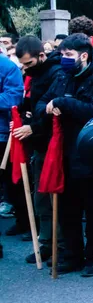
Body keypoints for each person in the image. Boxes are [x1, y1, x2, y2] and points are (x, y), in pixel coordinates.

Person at [36, 33, 93, 276]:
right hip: (64, 154)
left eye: (68, 55)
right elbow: (41, 105)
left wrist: (64, 103)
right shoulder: (62, 76)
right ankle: (73, 255)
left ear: (84, 56)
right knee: (68, 210)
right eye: (62, 54)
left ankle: (92, 257)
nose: (63, 59)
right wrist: (49, 108)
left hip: (91, 156)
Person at [15, 36, 64, 264]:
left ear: (41, 56)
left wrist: (33, 127)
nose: (25, 69)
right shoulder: (33, 75)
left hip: (53, 142)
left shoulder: (56, 73)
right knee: (41, 196)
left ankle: (62, 244)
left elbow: (50, 109)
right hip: (39, 143)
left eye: (29, 64)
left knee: (55, 195)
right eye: (23, 65)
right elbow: (32, 105)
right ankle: (47, 241)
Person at [0, 53, 25, 236]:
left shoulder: (8, 67)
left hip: (3, 136)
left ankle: (24, 220)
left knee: (13, 181)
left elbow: (13, 99)